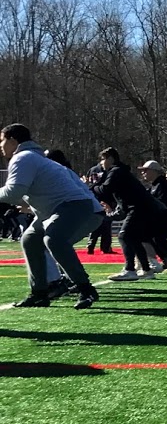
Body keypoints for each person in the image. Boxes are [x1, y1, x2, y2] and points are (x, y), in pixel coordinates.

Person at [0, 124, 104, 309]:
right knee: (30, 239)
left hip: (73, 206)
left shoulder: (22, 157)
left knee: (54, 239)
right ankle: (40, 293)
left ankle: (85, 289)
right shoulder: (33, 157)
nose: (1, 145)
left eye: (2, 140)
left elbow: (14, 192)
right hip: (61, 208)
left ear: (13, 140)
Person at [92, 147, 164, 280]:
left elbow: (105, 190)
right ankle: (147, 270)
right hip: (143, 208)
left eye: (103, 159)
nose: (101, 163)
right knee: (134, 238)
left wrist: (91, 186)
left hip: (139, 208)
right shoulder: (121, 171)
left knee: (124, 236)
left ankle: (130, 269)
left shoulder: (116, 171)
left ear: (111, 159)